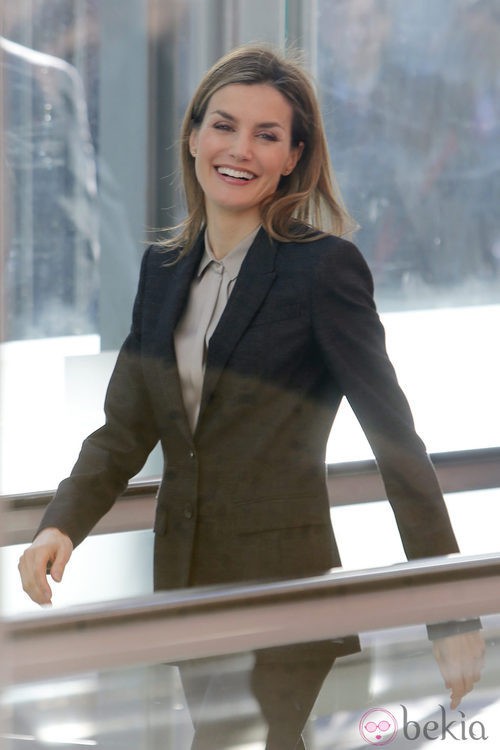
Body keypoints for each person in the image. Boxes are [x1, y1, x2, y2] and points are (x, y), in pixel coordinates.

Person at [18, 44, 484, 749]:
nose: (240, 150)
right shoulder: (163, 269)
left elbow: (397, 443)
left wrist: (450, 613)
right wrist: (62, 524)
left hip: (285, 592)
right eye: (224, 126)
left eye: (267, 135)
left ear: (295, 155)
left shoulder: (324, 270)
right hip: (188, 587)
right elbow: (125, 428)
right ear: (194, 136)